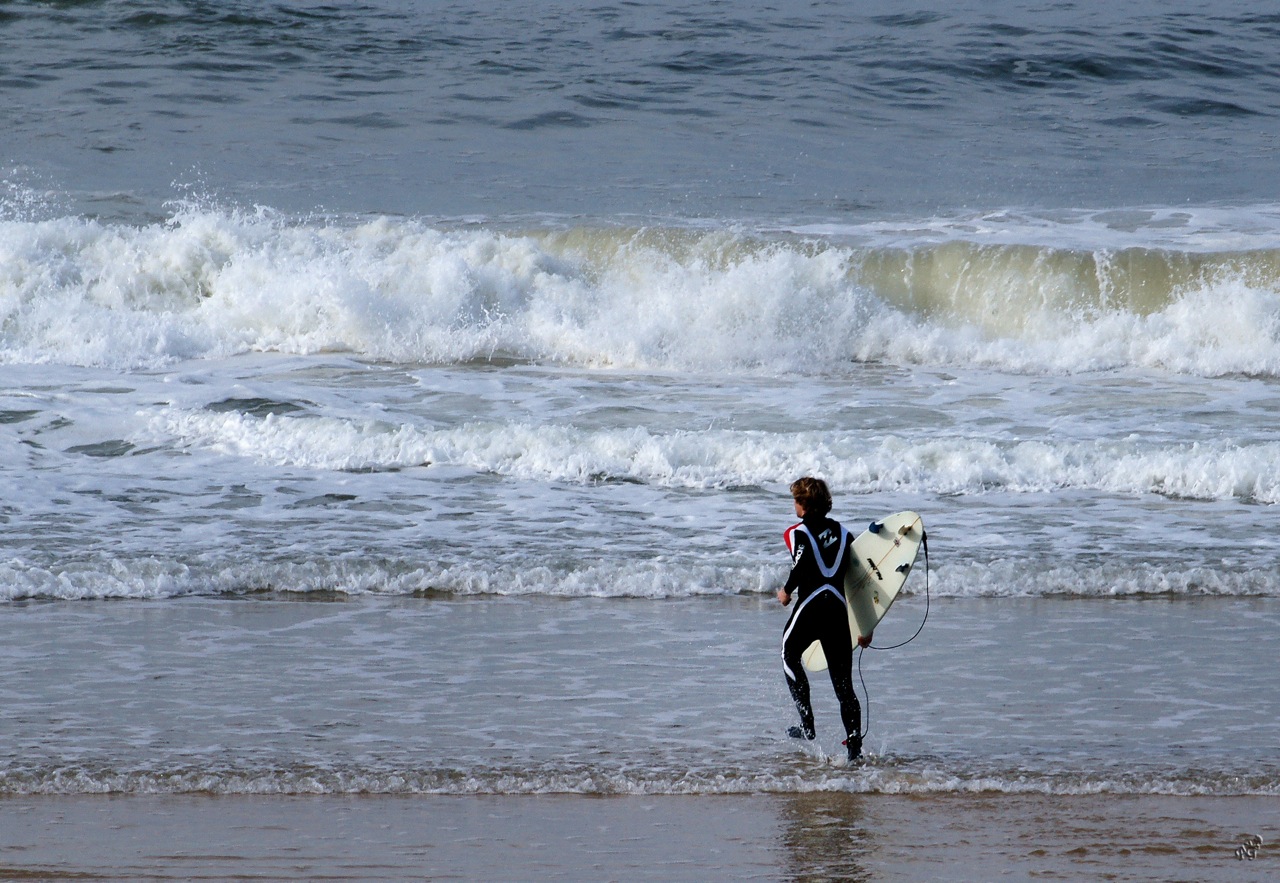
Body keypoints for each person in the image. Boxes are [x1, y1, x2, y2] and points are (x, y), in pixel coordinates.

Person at [776, 476, 871, 762]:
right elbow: (858, 582)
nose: (793, 505)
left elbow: (802, 562)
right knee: (844, 686)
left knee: (788, 654)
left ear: (804, 504)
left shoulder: (797, 532)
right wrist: (866, 626)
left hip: (811, 607)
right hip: (838, 613)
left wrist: (786, 591)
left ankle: (807, 724)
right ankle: (854, 748)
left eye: (795, 500)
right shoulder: (844, 534)